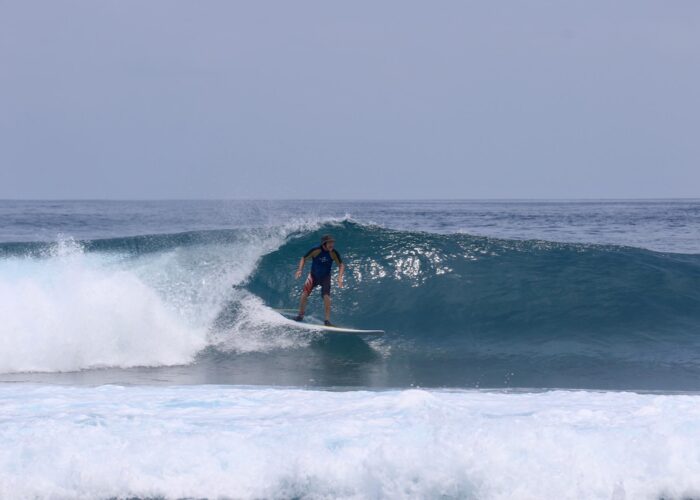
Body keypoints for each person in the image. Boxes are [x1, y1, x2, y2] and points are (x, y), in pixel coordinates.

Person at [294, 234, 345, 326]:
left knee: (326, 296)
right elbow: (304, 258)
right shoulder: (316, 250)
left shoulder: (333, 253)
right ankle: (300, 315)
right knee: (304, 294)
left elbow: (341, 265)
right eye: (329, 243)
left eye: (332, 243)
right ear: (324, 244)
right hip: (313, 276)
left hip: (325, 277)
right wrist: (300, 269)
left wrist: (340, 277)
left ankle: (327, 321)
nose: (332, 245)